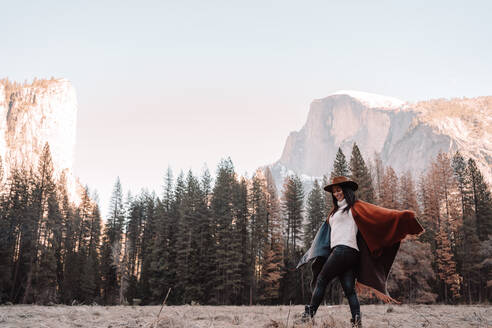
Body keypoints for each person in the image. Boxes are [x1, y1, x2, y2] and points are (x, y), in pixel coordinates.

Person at [296, 176, 423, 327]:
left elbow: (379, 214)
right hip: (345, 254)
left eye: (339, 190)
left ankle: (308, 315)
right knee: (349, 289)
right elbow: (324, 236)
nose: (337, 193)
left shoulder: (355, 206)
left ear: (346, 190)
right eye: (334, 192)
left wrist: (401, 216)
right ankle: (357, 321)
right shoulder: (334, 212)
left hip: (344, 250)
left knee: (322, 279)